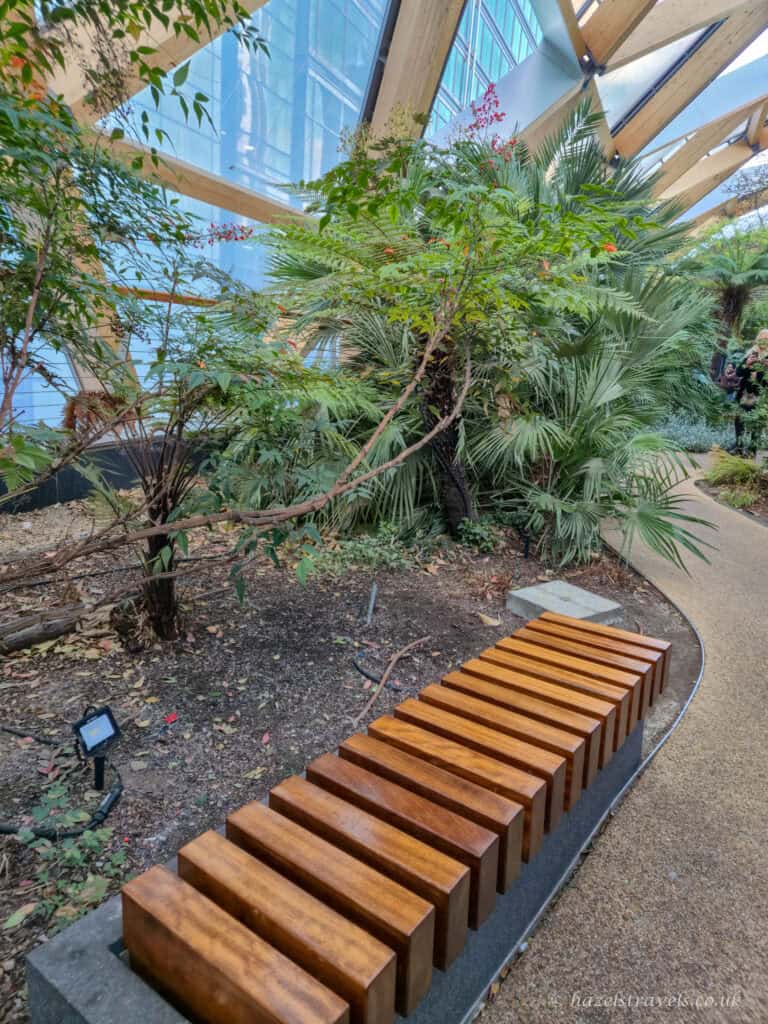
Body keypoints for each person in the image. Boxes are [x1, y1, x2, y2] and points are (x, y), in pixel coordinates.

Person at [734, 335, 768, 454]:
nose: (764, 341)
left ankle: (752, 450)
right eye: (762, 338)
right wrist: (747, 364)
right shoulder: (751, 353)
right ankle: (738, 447)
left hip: (761, 396)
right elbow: (738, 373)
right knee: (739, 420)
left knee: (756, 423)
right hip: (744, 394)